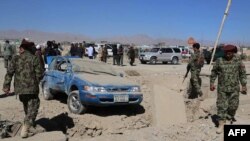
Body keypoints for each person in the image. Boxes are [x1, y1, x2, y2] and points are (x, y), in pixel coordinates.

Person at [2, 40, 44, 138]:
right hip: (32, 89)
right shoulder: (34, 59)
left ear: (22, 48)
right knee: (34, 107)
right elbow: (39, 74)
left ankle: (29, 124)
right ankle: (25, 130)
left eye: (19, 48)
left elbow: (9, 73)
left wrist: (6, 86)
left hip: (19, 89)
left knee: (27, 106)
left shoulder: (15, 59)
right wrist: (36, 80)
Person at [210, 44, 247, 134]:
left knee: (233, 106)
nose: (228, 55)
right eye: (226, 53)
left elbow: (242, 73)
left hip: (234, 88)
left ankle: (230, 117)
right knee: (221, 106)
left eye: (230, 53)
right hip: (222, 88)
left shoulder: (238, 60)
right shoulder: (219, 60)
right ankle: (221, 123)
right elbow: (214, 72)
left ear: (233, 52)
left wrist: (244, 85)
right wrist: (212, 83)